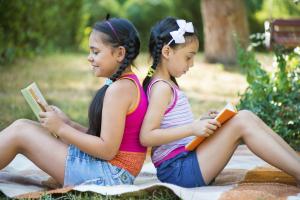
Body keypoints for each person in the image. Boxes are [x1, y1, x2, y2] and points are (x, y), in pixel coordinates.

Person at [140, 17, 300, 188]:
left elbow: (170, 126)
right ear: (167, 52)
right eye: (188, 57)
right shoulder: (161, 88)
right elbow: (147, 136)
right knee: (242, 123)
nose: (192, 64)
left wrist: (200, 123)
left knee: (245, 116)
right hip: (178, 170)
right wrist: (192, 128)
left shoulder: (166, 84)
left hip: (186, 160)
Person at [0, 17, 148, 187]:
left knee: (21, 132)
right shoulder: (125, 84)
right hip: (112, 170)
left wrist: (61, 129)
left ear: (120, 53)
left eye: (95, 52)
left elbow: (107, 150)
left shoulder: (120, 89)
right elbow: (103, 139)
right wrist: (68, 123)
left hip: (111, 174)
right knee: (24, 124)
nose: (89, 58)